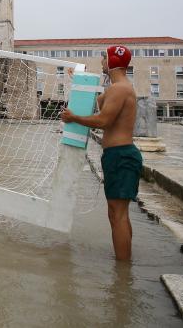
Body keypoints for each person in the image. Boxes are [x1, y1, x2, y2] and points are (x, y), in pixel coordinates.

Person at [61, 45, 142, 261]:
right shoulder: (118, 89)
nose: (102, 62)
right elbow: (97, 103)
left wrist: (73, 118)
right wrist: (79, 81)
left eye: (105, 58)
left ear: (113, 61)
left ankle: (123, 270)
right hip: (117, 155)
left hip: (121, 155)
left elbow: (103, 120)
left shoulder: (119, 89)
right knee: (116, 214)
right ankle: (124, 266)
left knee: (118, 215)